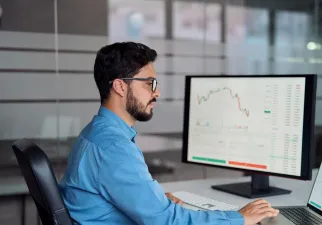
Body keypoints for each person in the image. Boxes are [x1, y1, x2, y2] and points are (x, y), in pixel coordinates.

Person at [59, 42, 279, 225]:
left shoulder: (96, 133)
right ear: (120, 86)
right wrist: (238, 218)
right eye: (149, 83)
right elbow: (167, 221)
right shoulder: (113, 146)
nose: (157, 92)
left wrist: (150, 202)